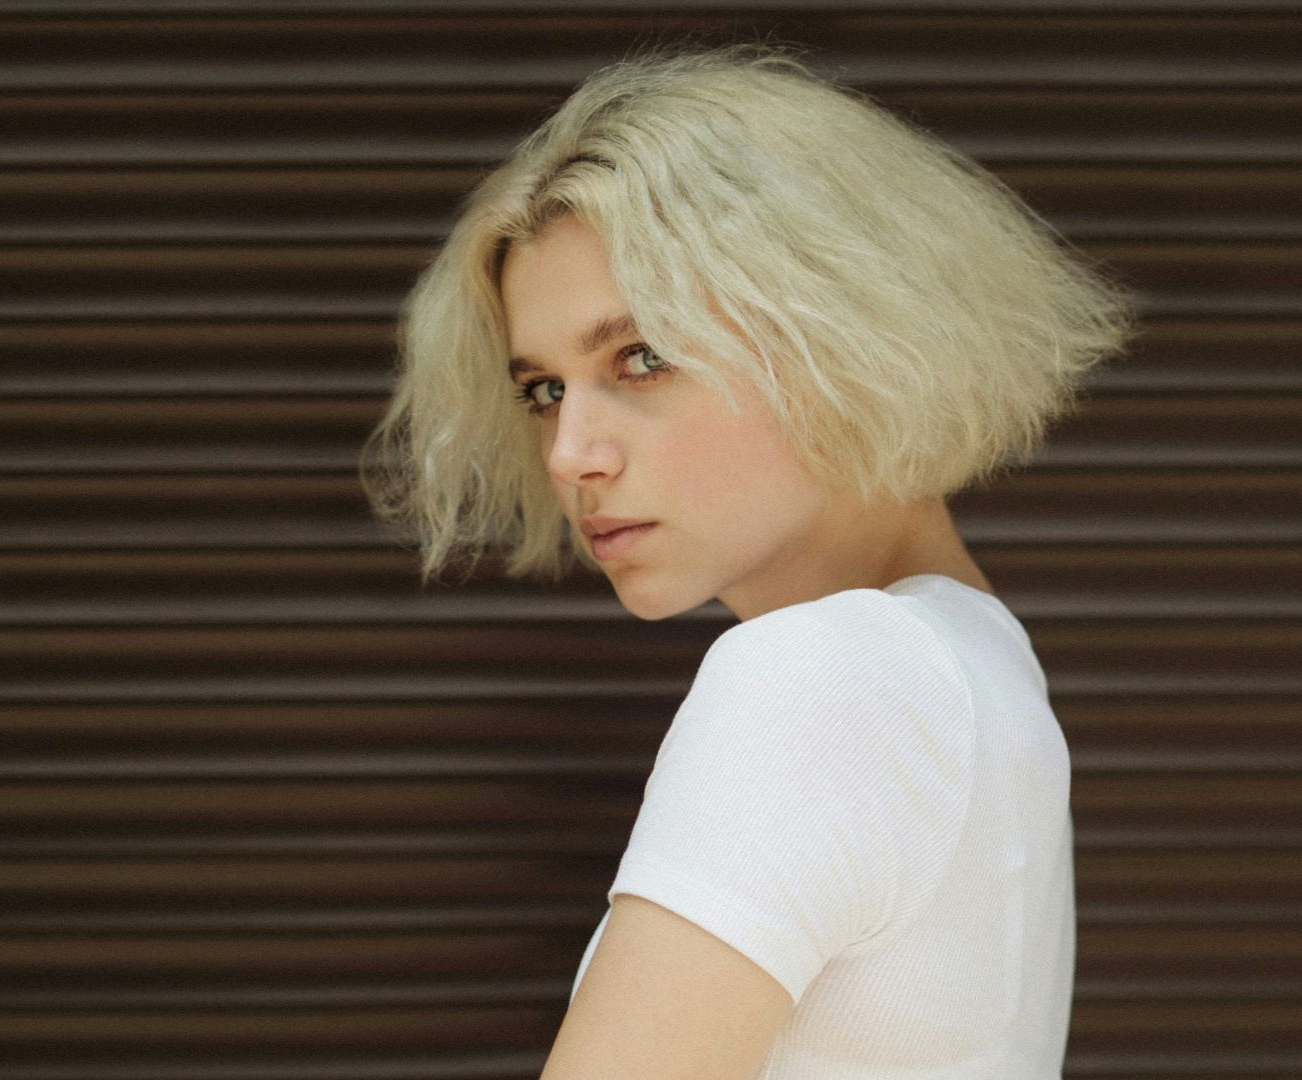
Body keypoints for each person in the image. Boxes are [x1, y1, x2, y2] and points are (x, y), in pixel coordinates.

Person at [360, 39, 1138, 1080]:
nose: (570, 454)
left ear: (835, 326)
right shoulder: (972, 665)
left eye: (639, 358)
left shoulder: (827, 674)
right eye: (544, 389)